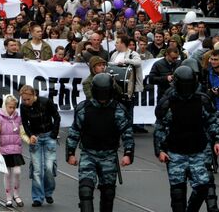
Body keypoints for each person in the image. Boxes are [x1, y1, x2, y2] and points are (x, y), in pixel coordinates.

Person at [154, 66, 219, 212]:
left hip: (198, 150)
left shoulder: (202, 100)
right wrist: (160, 150)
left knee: (203, 187)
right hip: (175, 152)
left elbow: (212, 121)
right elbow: (160, 128)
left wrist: (216, 140)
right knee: (178, 194)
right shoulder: (167, 103)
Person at [66, 74, 134, 212]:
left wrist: (128, 153)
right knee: (85, 190)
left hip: (108, 155)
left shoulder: (118, 109)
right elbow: (74, 132)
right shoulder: (84, 109)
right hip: (88, 154)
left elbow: (127, 133)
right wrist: (70, 153)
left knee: (108, 194)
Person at [19, 85, 60, 207]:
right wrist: (30, 135)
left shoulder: (45, 102)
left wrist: (54, 133)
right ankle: (37, 197)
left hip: (48, 136)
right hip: (35, 138)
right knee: (37, 170)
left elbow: (56, 117)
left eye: (28, 99)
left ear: (33, 95)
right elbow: (25, 123)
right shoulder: (23, 107)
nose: (26, 102)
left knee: (48, 167)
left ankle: (48, 192)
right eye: (24, 100)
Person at [0, 94, 27, 208]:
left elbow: (22, 133)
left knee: (17, 172)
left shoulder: (18, 118)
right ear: (5, 106)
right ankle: (8, 198)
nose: (12, 109)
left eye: (14, 107)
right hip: (4, 150)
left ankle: (16, 195)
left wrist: (29, 140)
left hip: (16, 149)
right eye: (10, 107)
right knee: (7, 174)